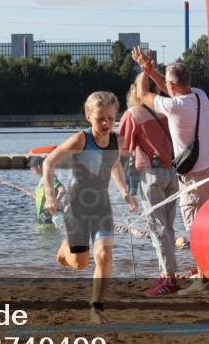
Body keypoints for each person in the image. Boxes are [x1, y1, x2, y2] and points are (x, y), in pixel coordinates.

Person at [43, 91, 138, 324]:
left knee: (104, 255)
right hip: (76, 206)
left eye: (110, 118)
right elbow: (48, 162)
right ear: (88, 116)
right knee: (80, 264)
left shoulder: (118, 141)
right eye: (100, 118)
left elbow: (114, 165)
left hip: (102, 206)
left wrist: (125, 193)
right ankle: (66, 249)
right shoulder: (81, 140)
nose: (106, 123)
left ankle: (97, 308)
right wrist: (50, 196)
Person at [131, 48, 209, 295]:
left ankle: (202, 279)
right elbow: (170, 89)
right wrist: (152, 71)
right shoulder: (200, 96)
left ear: (170, 85)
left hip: (192, 177)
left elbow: (142, 95)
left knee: (195, 227)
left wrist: (143, 72)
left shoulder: (173, 107)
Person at [119, 73, 180, 296]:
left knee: (157, 228)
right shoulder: (166, 110)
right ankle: (168, 274)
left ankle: (169, 278)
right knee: (170, 228)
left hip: (150, 175)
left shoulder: (132, 114)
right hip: (173, 173)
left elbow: (122, 150)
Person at [29, 155, 67, 227]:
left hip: (48, 216)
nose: (31, 169)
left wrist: (56, 201)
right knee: (42, 236)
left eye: (32, 167)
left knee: (44, 236)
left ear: (38, 166)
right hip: (42, 216)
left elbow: (62, 190)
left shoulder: (50, 177)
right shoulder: (43, 179)